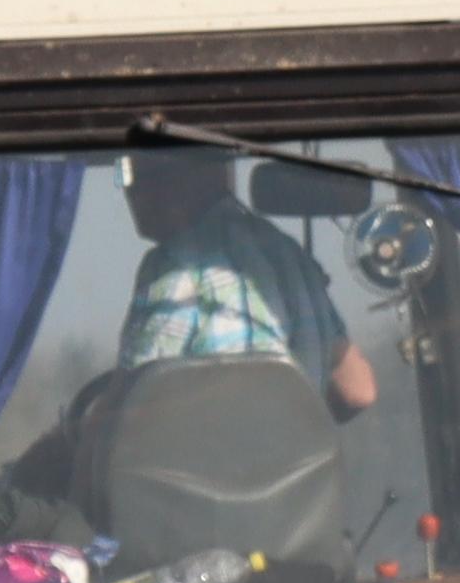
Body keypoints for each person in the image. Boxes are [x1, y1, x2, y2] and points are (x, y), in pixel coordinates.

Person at [116, 147, 380, 410]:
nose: (131, 193)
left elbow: (139, 401)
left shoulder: (174, 263)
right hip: (296, 448)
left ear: (193, 176)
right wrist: (292, 415)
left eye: (140, 176)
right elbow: (358, 390)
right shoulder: (292, 257)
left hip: (209, 450)